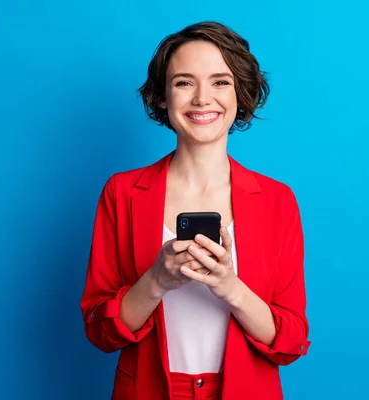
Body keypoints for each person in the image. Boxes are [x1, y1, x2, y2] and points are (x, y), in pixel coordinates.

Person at [80, 21, 310, 400]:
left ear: (241, 94)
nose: (203, 98)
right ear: (161, 97)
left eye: (220, 82)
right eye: (184, 82)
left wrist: (229, 287)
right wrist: (156, 280)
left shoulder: (276, 199)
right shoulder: (121, 192)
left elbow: (290, 342)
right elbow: (100, 332)